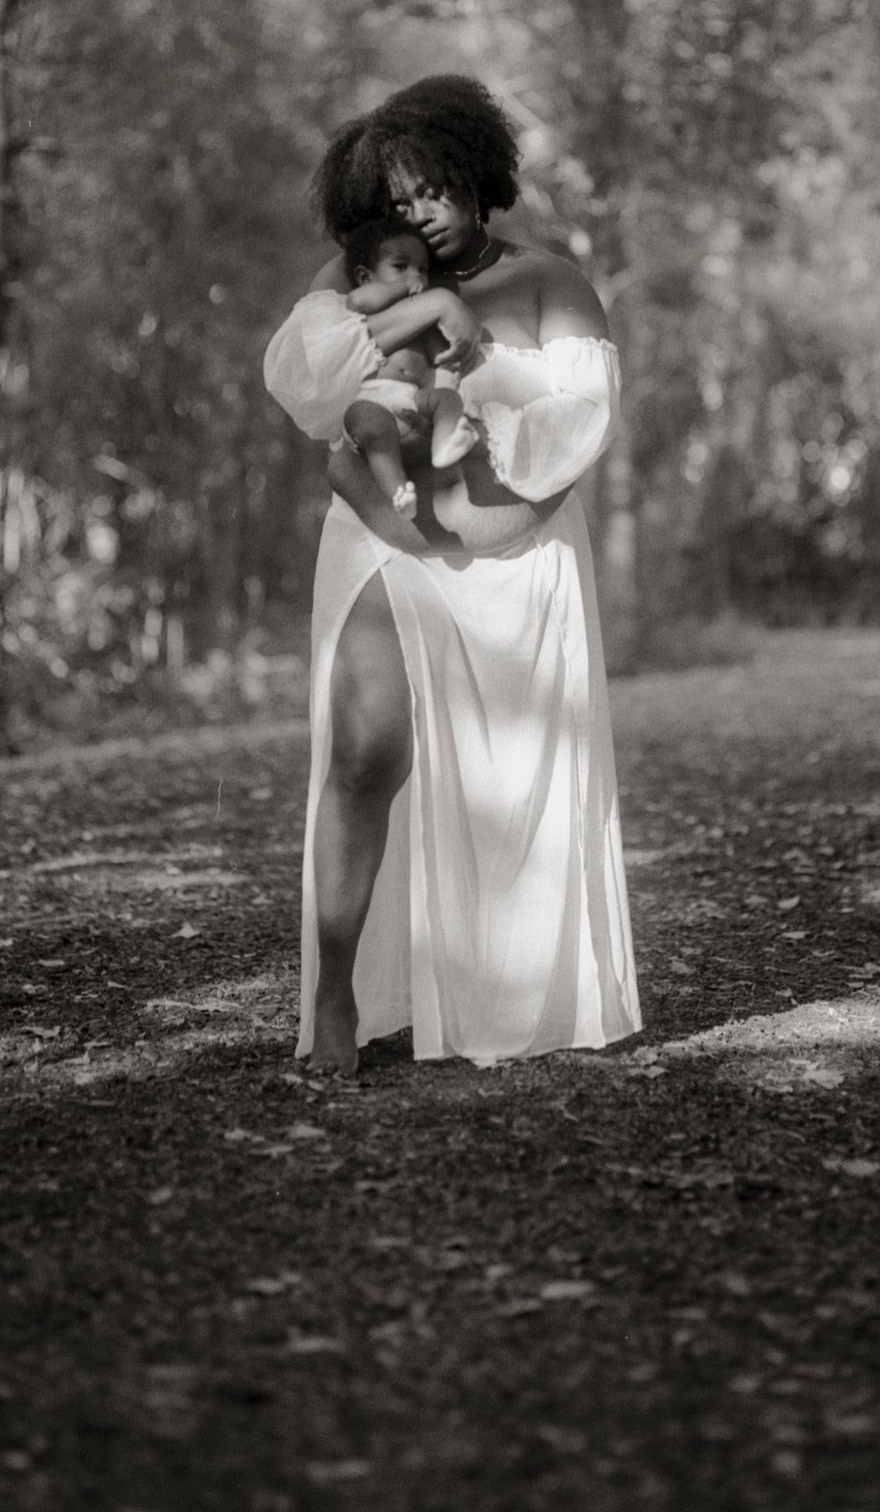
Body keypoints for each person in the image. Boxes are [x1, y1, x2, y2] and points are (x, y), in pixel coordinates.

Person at [263, 75, 641, 1073]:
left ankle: (502, 997)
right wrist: (409, 309)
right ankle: (338, 996)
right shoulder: (355, 275)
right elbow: (307, 386)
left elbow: (574, 429)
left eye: (432, 186)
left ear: (478, 176)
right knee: (364, 750)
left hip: (520, 573)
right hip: (391, 545)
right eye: (396, 196)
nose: (418, 210)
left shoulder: (550, 282)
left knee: (510, 783)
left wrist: (474, 357)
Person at [339, 216, 480, 519]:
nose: (416, 275)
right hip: (370, 398)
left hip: (412, 398)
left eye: (423, 269)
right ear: (365, 277)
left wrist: (444, 393)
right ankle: (399, 492)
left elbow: (441, 365)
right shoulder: (362, 303)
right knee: (371, 429)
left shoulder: (424, 319)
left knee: (447, 399)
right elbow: (360, 301)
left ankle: (445, 444)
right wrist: (403, 287)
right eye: (401, 266)